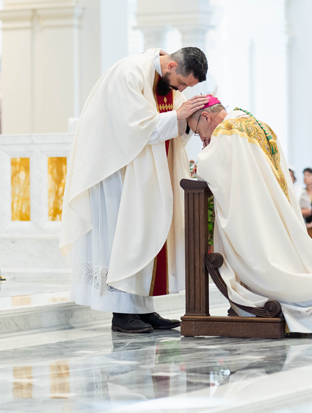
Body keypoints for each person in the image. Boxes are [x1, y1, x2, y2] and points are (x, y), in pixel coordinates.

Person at [189, 98, 312, 336]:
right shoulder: (258, 125)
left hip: (255, 218)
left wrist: (202, 157)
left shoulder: (227, 133)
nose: (203, 138)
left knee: (267, 274)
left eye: (198, 131)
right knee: (290, 265)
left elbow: (207, 168)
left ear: (206, 117)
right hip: (275, 213)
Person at [60, 48, 210, 334]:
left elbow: (172, 121)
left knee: (146, 234)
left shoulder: (166, 78)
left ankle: (141, 308)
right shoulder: (129, 72)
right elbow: (133, 128)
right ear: (173, 65)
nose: (181, 90)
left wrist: (190, 120)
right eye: (181, 84)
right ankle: (121, 313)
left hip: (146, 172)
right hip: (118, 170)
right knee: (124, 236)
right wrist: (178, 115)